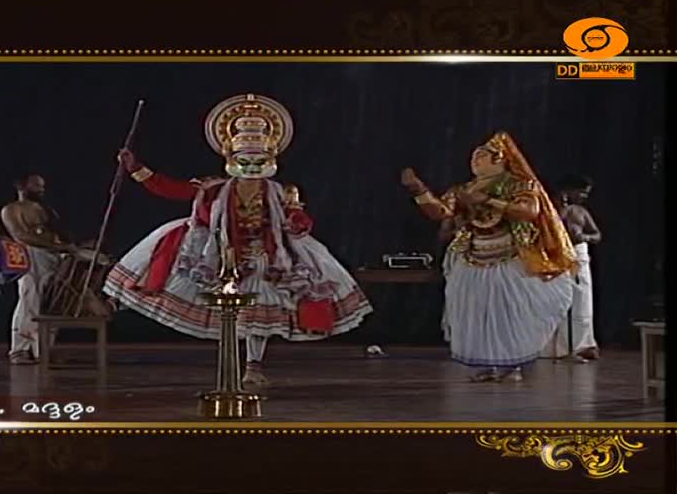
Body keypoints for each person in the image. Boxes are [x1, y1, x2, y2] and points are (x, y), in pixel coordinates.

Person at [103, 94, 373, 388]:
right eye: (245, 161)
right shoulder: (212, 188)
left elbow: (298, 218)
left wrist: (296, 223)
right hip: (216, 251)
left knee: (260, 306)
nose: (252, 168)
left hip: (265, 254)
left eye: (259, 161)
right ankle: (116, 304)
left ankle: (253, 365)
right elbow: (172, 189)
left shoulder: (282, 192)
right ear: (231, 159)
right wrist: (135, 168)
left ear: (271, 160)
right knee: (171, 262)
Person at [401, 131, 576, 382]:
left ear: (500, 158)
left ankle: (511, 366)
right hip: (474, 255)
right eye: (473, 156)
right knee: (477, 312)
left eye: (481, 155)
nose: (474, 160)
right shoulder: (463, 189)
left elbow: (528, 211)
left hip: (512, 257)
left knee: (510, 311)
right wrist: (418, 189)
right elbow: (441, 212)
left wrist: (489, 200)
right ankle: (487, 365)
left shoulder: (519, 184)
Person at [0, 172, 81, 364]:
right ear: (21, 186)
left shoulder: (46, 210)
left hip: (52, 257)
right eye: (36, 185)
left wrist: (73, 247)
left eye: (42, 186)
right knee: (30, 299)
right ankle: (20, 350)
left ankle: (43, 350)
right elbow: (21, 235)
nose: (41, 189)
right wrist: (59, 247)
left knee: (51, 303)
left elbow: (60, 233)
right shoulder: (11, 209)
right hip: (30, 255)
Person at [549, 174, 602, 361]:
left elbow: (597, 235)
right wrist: (563, 210)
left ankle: (583, 345)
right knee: (561, 303)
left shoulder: (581, 212)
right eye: (581, 192)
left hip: (579, 256)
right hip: (558, 258)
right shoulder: (551, 209)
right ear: (568, 190)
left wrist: (585, 237)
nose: (584, 196)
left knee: (582, 303)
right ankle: (561, 349)